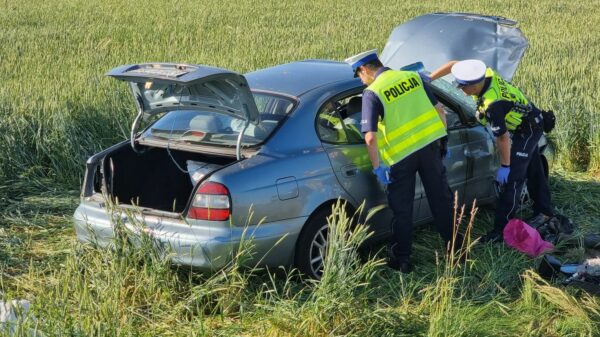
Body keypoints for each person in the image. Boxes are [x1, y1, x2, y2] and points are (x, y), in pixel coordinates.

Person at [344, 50, 461, 273]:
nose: (361, 80)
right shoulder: (413, 78)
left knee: (402, 210)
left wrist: (377, 167)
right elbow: (440, 111)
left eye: (359, 76)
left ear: (364, 69)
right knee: (442, 201)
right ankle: (457, 251)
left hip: (400, 159)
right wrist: (442, 139)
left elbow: (369, 137)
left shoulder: (372, 93)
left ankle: (402, 260)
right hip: (429, 149)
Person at [430, 59, 554, 242]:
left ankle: (501, 230)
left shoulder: (492, 104)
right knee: (534, 168)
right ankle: (544, 210)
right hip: (527, 119)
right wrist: (429, 77)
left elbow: (502, 138)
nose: (460, 90)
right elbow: (455, 63)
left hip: (527, 129)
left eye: (463, 87)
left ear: (474, 85)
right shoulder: (483, 72)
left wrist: (505, 165)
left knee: (513, 179)